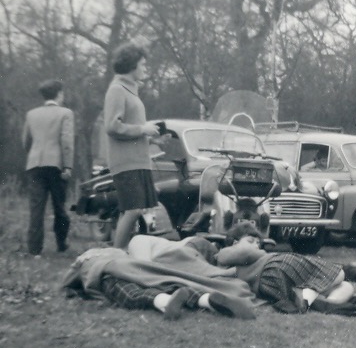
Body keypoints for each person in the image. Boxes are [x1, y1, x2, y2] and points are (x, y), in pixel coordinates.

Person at [62, 247, 256, 320]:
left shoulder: (84, 260)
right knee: (157, 284)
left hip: (108, 274)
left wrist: (72, 292)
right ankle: (206, 300)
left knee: (132, 294)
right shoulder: (119, 251)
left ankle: (163, 303)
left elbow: (67, 283)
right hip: (136, 269)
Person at [215, 221, 355, 313]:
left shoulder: (234, 266)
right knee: (339, 273)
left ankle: (317, 300)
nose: (256, 245)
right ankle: (309, 294)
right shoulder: (229, 252)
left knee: (346, 287)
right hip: (277, 266)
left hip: (272, 284)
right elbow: (233, 254)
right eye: (251, 241)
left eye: (258, 243)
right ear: (234, 242)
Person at [103, 43, 163, 249]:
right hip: (126, 162)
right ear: (131, 66)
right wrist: (142, 130)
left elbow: (134, 127)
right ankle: (116, 256)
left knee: (135, 210)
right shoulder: (117, 90)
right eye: (143, 65)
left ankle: (124, 255)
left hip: (137, 160)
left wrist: (152, 137)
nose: (145, 68)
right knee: (133, 210)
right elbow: (112, 126)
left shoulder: (129, 90)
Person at [22, 79, 74, 255]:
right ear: (59, 94)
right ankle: (61, 244)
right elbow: (66, 141)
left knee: (36, 208)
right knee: (59, 205)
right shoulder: (65, 113)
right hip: (56, 165)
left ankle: (34, 250)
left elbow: (26, 141)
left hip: (35, 163)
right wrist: (68, 166)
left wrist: (34, 154)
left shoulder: (31, 114)